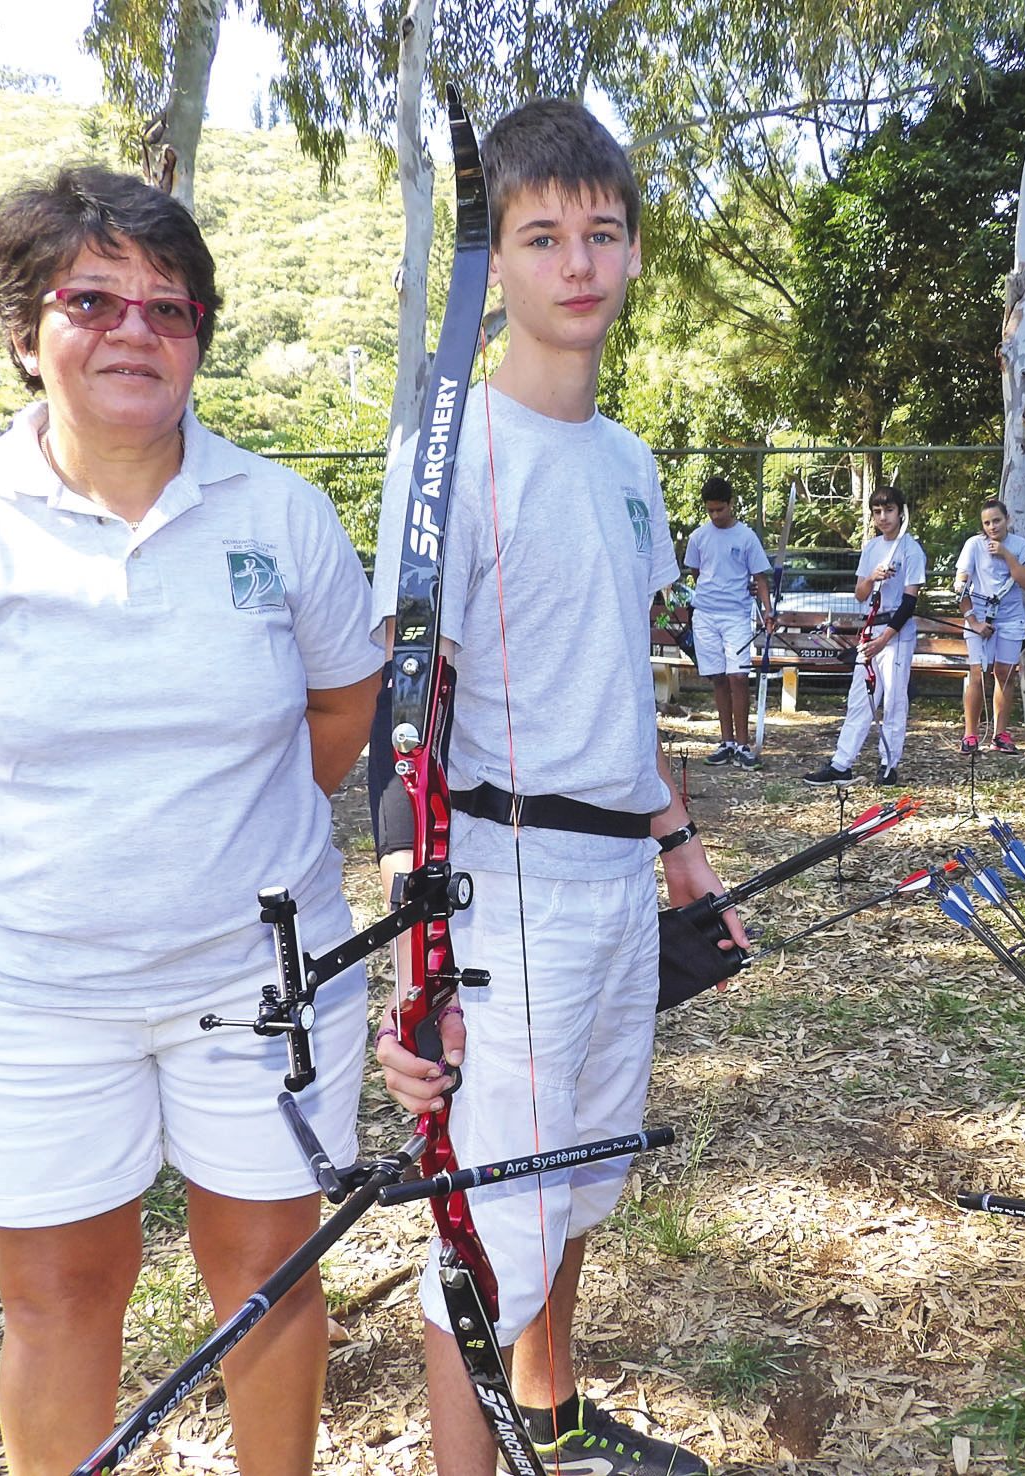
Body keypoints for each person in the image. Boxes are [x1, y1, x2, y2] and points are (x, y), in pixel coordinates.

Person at [0, 167, 384, 1476]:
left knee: (269, 1278)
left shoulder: (283, 516)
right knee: (60, 1292)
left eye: (171, 308)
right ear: (29, 332)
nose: (136, 330)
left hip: (260, 976)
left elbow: (336, 717)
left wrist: (216, 847)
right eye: (95, 300)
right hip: (39, 990)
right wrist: (56, 858)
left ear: (200, 337)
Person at [368, 99, 741, 1476]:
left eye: (602, 232)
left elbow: (622, 689)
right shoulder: (448, 458)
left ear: (633, 252)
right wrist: (417, 958)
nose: (576, 263)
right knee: (488, 1224)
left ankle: (550, 1416)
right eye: (539, 236)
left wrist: (679, 845)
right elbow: (407, 735)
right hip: (504, 885)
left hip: (608, 873)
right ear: (502, 265)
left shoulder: (630, 463)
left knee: (575, 1179)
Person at [802, 486, 926, 788]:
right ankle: (841, 764)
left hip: (895, 634)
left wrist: (885, 639)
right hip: (870, 631)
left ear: (901, 512)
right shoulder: (871, 548)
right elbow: (860, 594)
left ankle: (888, 763)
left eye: (889, 510)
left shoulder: (911, 549)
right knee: (859, 698)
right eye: (877, 512)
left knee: (895, 699)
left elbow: (910, 602)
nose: (883, 517)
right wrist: (872, 577)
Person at [683, 474, 775, 768]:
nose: (715, 515)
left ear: (731, 504)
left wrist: (768, 610)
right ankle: (727, 741)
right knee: (718, 678)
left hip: (736, 615)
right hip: (706, 614)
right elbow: (697, 574)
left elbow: (760, 577)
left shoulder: (746, 537)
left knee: (739, 677)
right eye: (710, 510)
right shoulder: (698, 537)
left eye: (720, 509)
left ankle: (744, 744)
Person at [953, 496, 1025, 753]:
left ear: (1007, 520)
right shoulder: (973, 545)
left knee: (1005, 673)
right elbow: (961, 587)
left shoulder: (1019, 545)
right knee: (977, 674)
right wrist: (974, 622)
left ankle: (1000, 734)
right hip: (979, 620)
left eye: (997, 521)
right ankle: (970, 735)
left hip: (1011, 619)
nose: (992, 527)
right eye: (987, 523)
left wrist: (1006, 555)